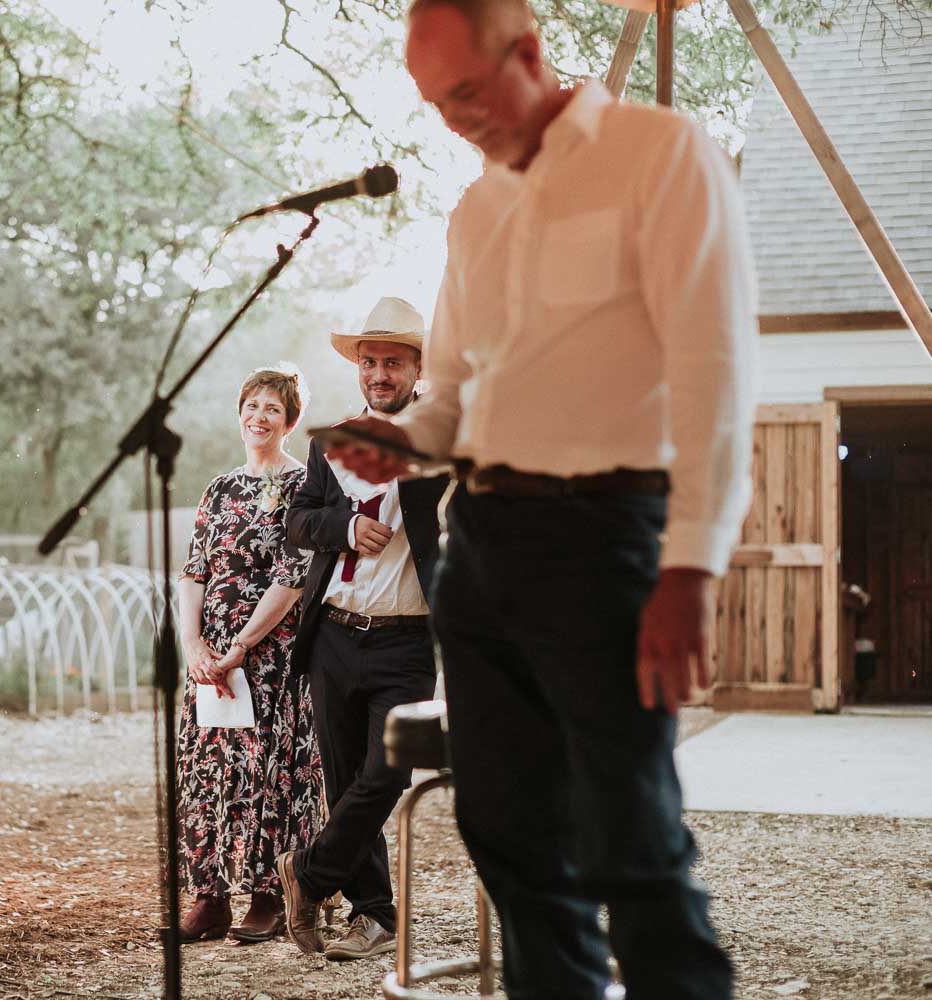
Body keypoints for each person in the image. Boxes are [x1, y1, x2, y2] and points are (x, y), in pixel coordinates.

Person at [320, 1, 757, 996]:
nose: (453, 120)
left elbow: (715, 375)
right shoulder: (476, 210)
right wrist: (403, 440)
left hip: (608, 538)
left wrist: (690, 564)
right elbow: (458, 393)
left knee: (627, 838)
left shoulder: (663, 154)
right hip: (478, 544)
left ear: (528, 52)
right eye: (434, 103)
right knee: (507, 834)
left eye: (466, 93)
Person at [275, 297, 450, 960]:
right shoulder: (333, 440)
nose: (380, 373)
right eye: (370, 362)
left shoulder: (439, 438)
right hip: (335, 636)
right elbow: (299, 521)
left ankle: (309, 873)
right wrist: (345, 528)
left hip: (408, 638)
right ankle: (375, 914)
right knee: (348, 783)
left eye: (394, 362)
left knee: (389, 771)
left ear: (416, 367)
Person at [174, 366, 322, 944]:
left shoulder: (305, 485)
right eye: (252, 406)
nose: (259, 418)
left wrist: (241, 647)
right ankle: (209, 896)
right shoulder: (220, 488)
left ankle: (270, 895)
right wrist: (195, 645)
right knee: (209, 768)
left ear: (289, 422)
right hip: (211, 654)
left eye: (272, 410)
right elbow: (194, 571)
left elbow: (293, 576)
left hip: (272, 651)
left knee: (268, 769)